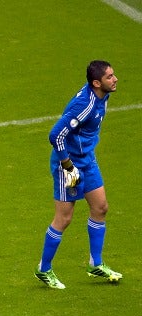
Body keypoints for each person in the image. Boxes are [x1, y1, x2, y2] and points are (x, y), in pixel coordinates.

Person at [34, 60, 122, 289]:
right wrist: (68, 166)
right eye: (110, 77)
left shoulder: (103, 94)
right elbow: (56, 135)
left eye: (113, 75)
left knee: (100, 207)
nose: (115, 79)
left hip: (87, 160)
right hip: (69, 163)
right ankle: (43, 269)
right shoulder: (85, 105)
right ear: (96, 83)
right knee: (64, 218)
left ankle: (96, 263)